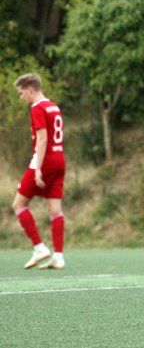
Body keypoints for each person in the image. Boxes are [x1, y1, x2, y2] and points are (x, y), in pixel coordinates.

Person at [12, 73, 66, 270]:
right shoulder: (53, 106)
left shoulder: (37, 107)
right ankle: (58, 256)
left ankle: (39, 247)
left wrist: (37, 169)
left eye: (21, 93)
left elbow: (42, 140)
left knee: (18, 204)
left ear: (30, 89)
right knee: (55, 209)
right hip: (60, 159)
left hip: (44, 161)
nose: (21, 97)